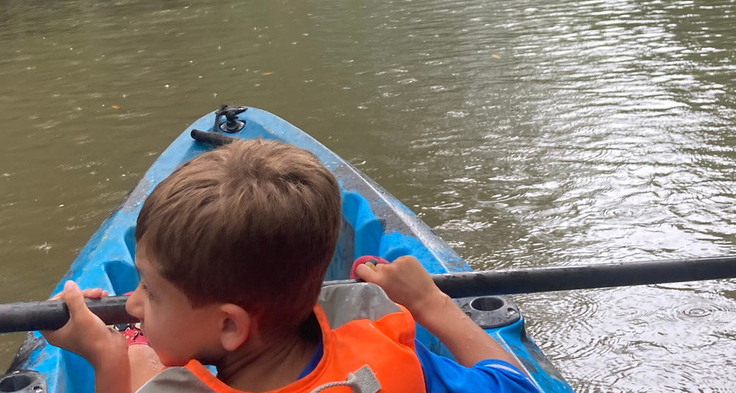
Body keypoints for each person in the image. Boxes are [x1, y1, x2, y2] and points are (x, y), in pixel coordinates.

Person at [43, 139, 540, 393]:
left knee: (137, 360)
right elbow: (518, 386)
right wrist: (431, 304)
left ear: (229, 325)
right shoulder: (389, 349)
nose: (130, 303)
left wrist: (107, 362)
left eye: (149, 291)